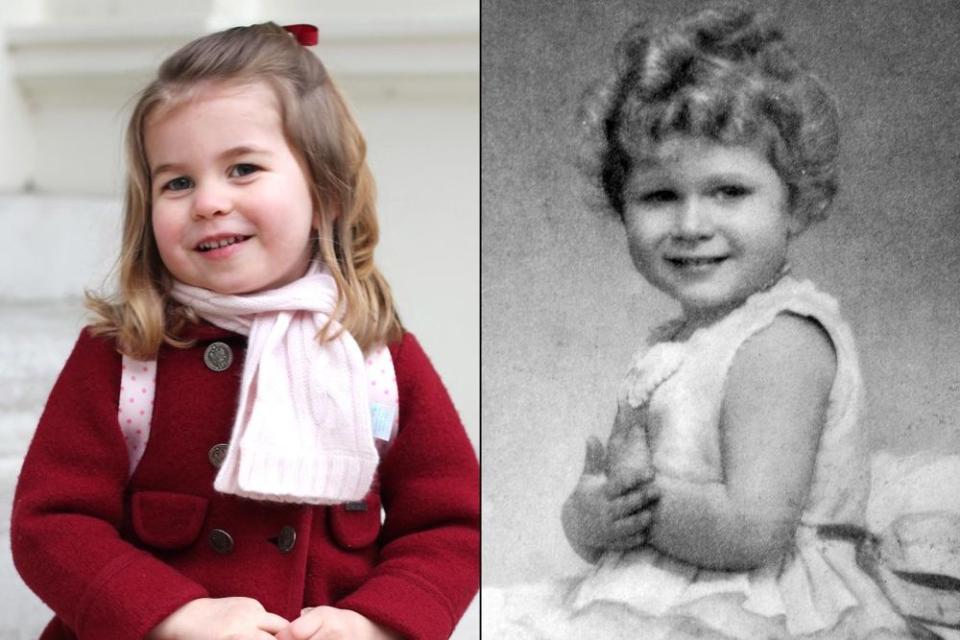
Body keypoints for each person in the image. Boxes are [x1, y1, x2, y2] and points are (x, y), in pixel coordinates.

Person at [484, 5, 952, 639]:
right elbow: (611, 499)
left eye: (729, 191)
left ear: (796, 201)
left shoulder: (783, 339)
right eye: (659, 196)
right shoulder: (668, 348)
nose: (691, 225)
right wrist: (591, 516)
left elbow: (753, 531)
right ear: (623, 209)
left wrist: (637, 500)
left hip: (764, 610)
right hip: (671, 596)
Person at [11, 22, 479, 640]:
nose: (207, 201)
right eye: (177, 182)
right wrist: (174, 616)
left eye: (243, 168)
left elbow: (451, 525)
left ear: (327, 193)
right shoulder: (127, 355)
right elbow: (51, 524)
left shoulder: (375, 356)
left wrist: (375, 623)